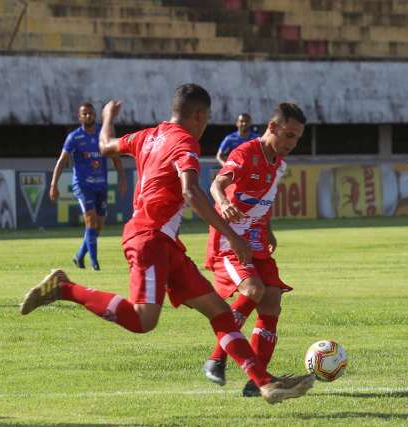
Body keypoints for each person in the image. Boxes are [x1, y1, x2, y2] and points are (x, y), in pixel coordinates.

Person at [20, 84, 314, 404]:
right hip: (148, 237)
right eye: (207, 118)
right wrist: (231, 236)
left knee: (219, 312)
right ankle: (64, 288)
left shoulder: (147, 135)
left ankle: (264, 383)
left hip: (167, 243)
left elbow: (105, 145)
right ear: (200, 115)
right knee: (144, 320)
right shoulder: (185, 143)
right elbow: (191, 192)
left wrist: (107, 117)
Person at [202, 103, 305, 397]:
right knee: (253, 290)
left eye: (296, 138)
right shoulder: (246, 153)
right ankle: (216, 359)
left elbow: (264, 199)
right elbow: (216, 184)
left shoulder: (278, 163)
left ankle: (254, 381)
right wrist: (223, 203)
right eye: (288, 135)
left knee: (272, 302)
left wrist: (268, 228)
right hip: (230, 237)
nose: (291, 143)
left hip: (257, 237)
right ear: (272, 127)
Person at [49, 102, 127, 271]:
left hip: (102, 185)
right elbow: (62, 161)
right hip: (83, 186)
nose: (88, 116)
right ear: (79, 117)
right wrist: (54, 183)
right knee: (91, 222)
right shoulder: (74, 137)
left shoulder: (103, 134)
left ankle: (79, 256)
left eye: (90, 113)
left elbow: (116, 157)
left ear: (95, 115)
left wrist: (122, 178)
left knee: (98, 226)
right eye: (84, 114)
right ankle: (94, 263)